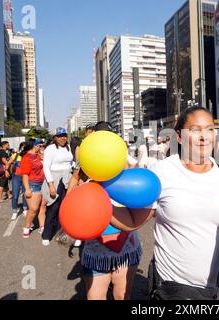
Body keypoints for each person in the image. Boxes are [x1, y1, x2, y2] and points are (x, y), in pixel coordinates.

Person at [111, 107, 219, 300]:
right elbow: (133, 221)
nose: (204, 137)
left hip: (214, 290)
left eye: (210, 129)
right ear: (179, 136)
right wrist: (101, 206)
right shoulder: (162, 173)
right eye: (195, 130)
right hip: (171, 288)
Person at [71, 121, 143, 300]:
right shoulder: (85, 179)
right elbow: (70, 208)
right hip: (96, 250)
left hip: (126, 247)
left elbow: (140, 198)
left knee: (122, 296)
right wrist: (77, 175)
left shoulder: (126, 175)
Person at [41, 128, 73, 245]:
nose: (62, 138)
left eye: (64, 135)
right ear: (55, 137)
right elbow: (46, 167)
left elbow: (70, 163)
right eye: (60, 136)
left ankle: (62, 234)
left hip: (67, 178)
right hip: (54, 178)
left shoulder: (68, 147)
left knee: (65, 208)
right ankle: (46, 234)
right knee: (53, 208)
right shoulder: (50, 148)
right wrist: (51, 185)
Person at [21, 139, 45, 239]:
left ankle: (42, 226)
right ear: (34, 146)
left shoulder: (38, 155)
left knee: (43, 207)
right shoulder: (26, 158)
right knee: (34, 208)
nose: (41, 147)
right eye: (39, 145)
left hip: (43, 183)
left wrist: (42, 154)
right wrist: (27, 189)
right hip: (33, 184)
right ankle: (26, 227)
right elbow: (25, 174)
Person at [10, 142, 29, 220]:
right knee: (15, 195)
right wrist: (7, 171)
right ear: (20, 147)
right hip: (16, 177)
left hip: (26, 177)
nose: (24, 149)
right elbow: (8, 164)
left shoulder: (28, 156)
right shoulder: (15, 155)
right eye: (23, 147)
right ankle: (14, 212)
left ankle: (25, 209)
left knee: (25, 194)